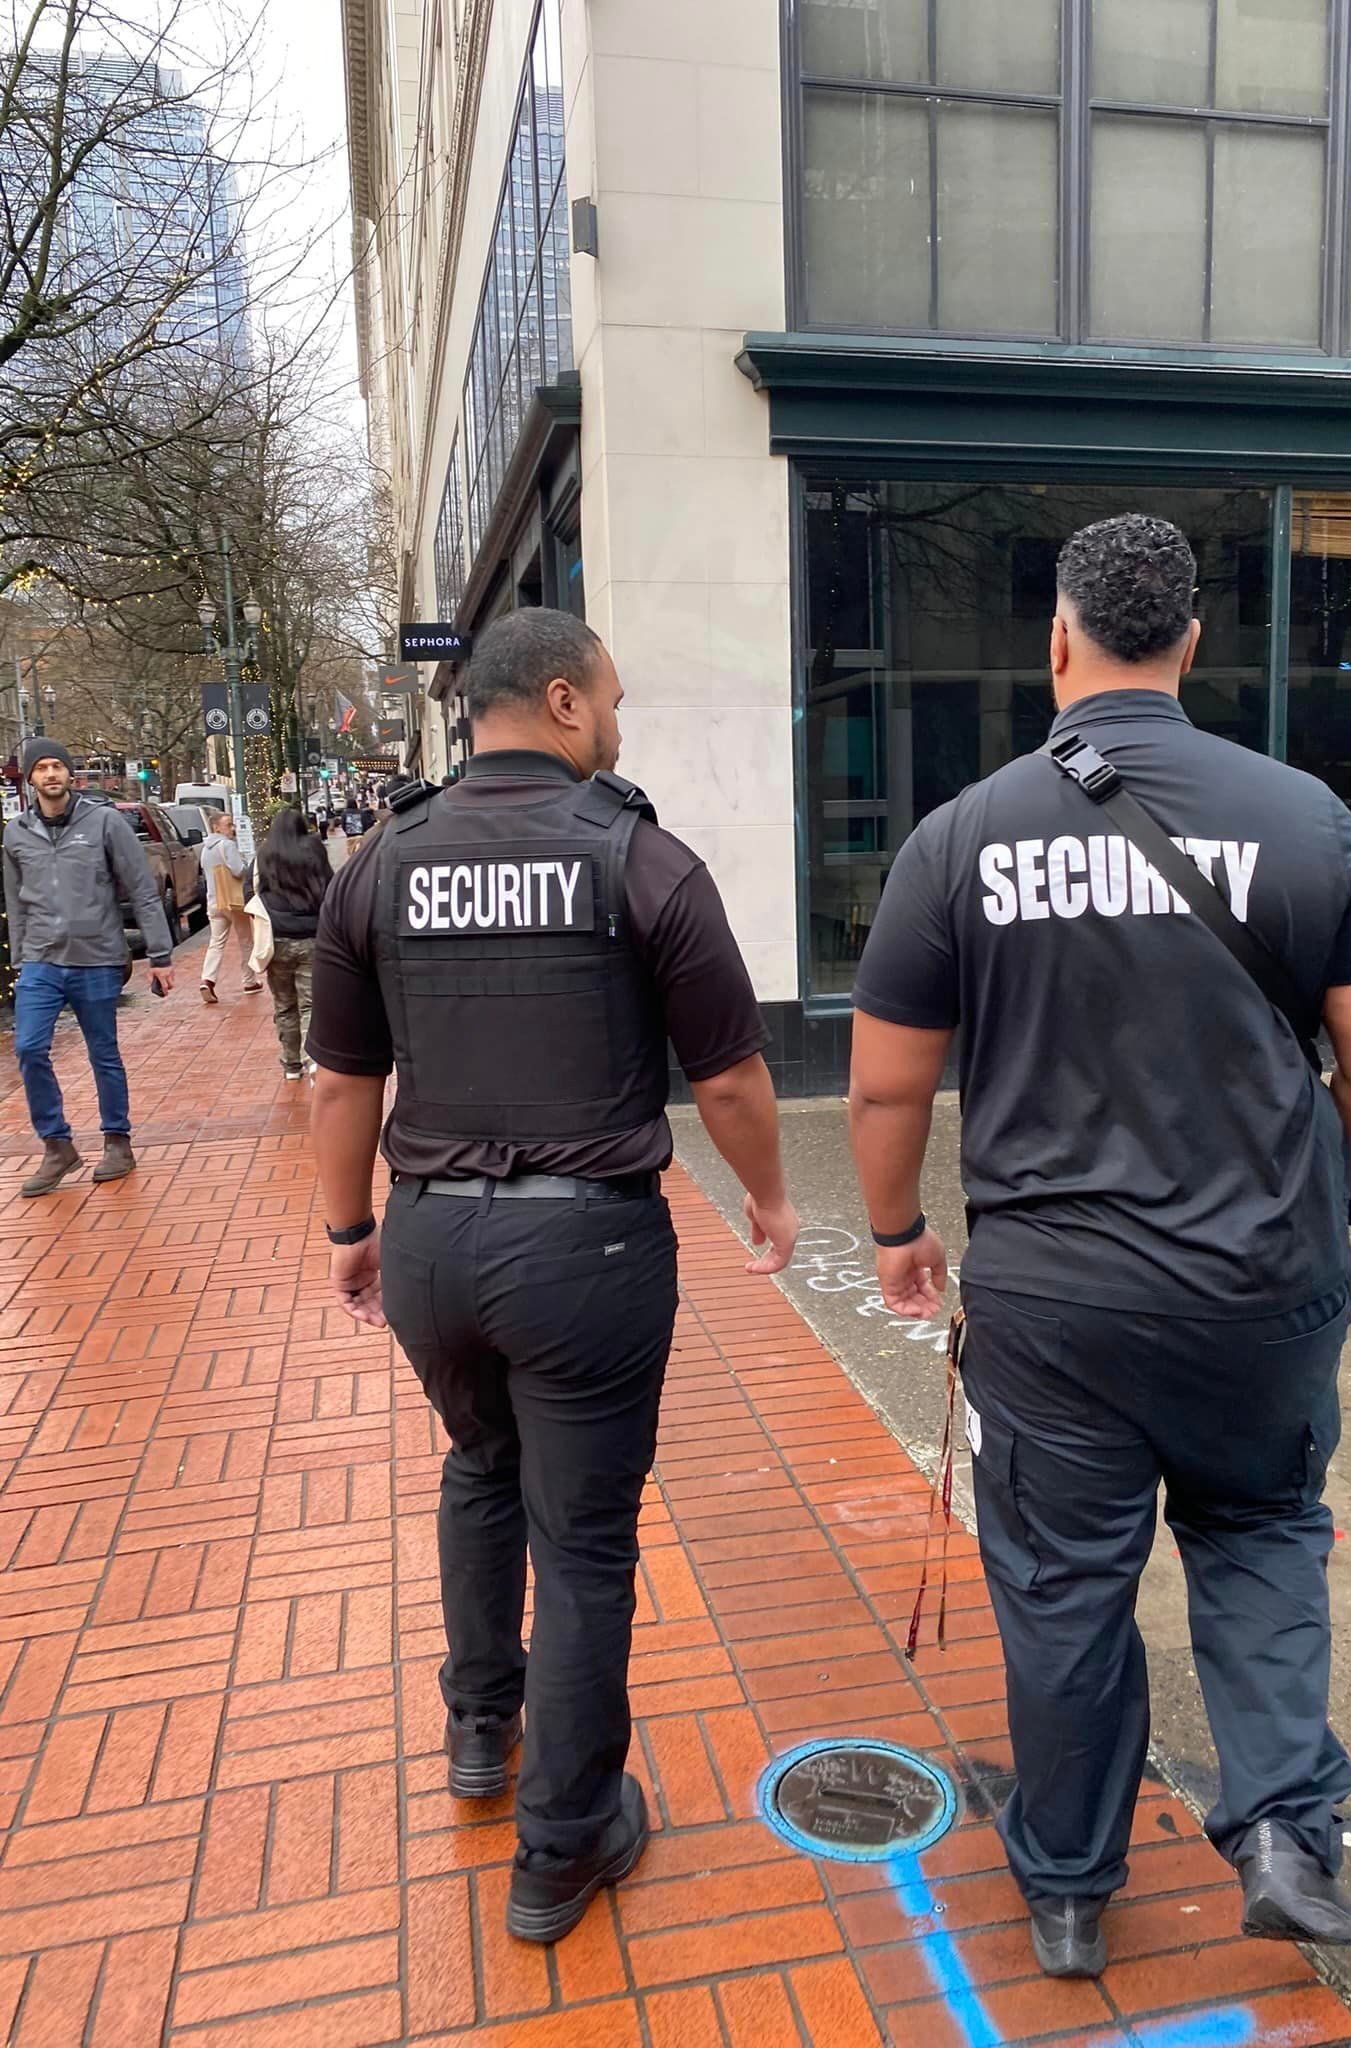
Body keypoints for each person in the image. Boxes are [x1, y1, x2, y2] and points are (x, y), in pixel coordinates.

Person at [846, 515, 1351, 1979]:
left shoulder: (961, 838)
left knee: (1060, 1584)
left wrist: (899, 1230)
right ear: (1192, 645)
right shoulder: (1306, 819)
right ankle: (1289, 1827)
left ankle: (1063, 1888)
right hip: (1260, 1288)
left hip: (1055, 1305)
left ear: (1058, 642)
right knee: (1261, 1533)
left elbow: (884, 1082)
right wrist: (1321, 1178)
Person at [307, 607, 799, 1947]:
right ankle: (563, 1847)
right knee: (584, 1546)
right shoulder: (639, 859)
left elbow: (343, 1078)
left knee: (477, 1470)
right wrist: (765, 1195)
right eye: (619, 699)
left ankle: (482, 1733)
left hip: (430, 1244)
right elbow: (735, 1074)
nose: (623, 723)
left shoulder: (382, 861)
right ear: (568, 702)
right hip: (586, 1248)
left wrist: (348, 1229)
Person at [2, 737, 175, 1194]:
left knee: (104, 1053)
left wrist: (159, 955)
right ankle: (57, 1145)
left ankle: (117, 1140)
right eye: (42, 768)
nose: (51, 774)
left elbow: (141, 889)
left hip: (97, 957)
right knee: (29, 1048)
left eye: (58, 766)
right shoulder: (16, 832)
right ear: (31, 778)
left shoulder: (103, 823)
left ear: (71, 774)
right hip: (41, 959)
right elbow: (15, 901)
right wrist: (20, 957)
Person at [253, 806, 332, 1081]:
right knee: (311, 1003)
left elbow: (256, 889)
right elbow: (329, 884)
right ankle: (312, 1060)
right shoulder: (313, 848)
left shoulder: (266, 852)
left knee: (284, 1003)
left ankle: (291, 1064)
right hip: (312, 934)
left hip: (276, 937)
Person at [198, 813, 262, 1002]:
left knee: (216, 942)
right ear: (216, 827)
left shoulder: (205, 849)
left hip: (214, 901)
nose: (232, 828)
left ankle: (208, 979)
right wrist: (245, 862)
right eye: (228, 824)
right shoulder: (227, 845)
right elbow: (238, 870)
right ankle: (249, 981)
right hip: (233, 902)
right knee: (246, 941)